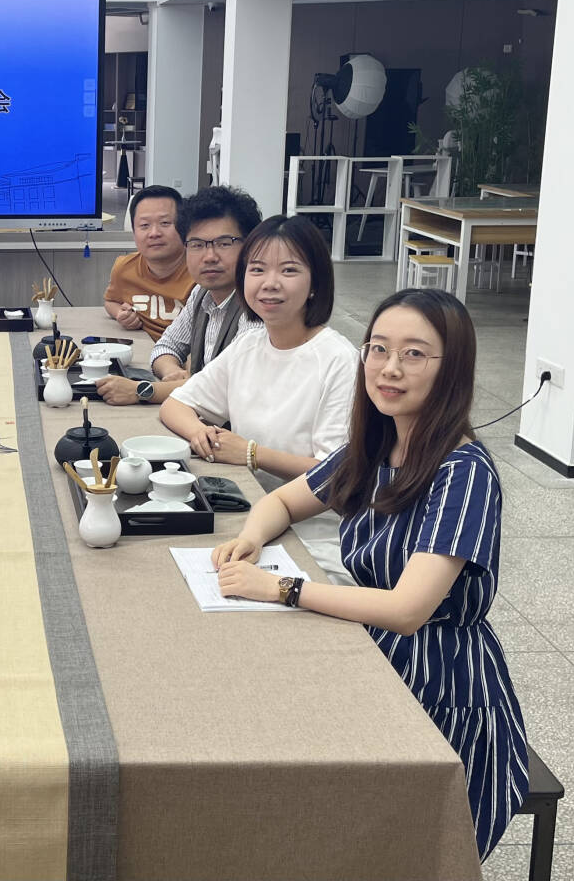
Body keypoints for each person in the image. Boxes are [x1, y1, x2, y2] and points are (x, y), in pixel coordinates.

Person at [212, 288, 529, 860]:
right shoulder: (376, 447)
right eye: (378, 349)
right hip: (371, 650)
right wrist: (251, 539)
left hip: (438, 682)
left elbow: (408, 611)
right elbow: (281, 501)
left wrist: (283, 588)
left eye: (414, 354)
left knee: (370, 832)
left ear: (452, 368)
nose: (389, 368)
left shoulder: (463, 472)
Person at [159, 214, 359, 582]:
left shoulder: (338, 360)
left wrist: (252, 454)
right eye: (257, 269)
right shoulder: (250, 343)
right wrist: (200, 433)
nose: (270, 283)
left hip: (314, 535)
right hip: (246, 513)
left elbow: (337, 475)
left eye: (289, 270)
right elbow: (175, 405)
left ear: (315, 283)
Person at [96, 185, 262, 406]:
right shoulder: (202, 293)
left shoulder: (258, 306)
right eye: (197, 244)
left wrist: (141, 391)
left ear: (250, 246)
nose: (209, 256)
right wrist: (171, 371)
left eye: (224, 244)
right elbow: (166, 346)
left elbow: (226, 387)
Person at [102, 184, 194, 341]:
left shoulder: (200, 272)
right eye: (144, 225)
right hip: (142, 348)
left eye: (165, 223)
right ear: (134, 232)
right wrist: (121, 314)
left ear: (184, 227)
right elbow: (110, 301)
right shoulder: (124, 268)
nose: (154, 233)